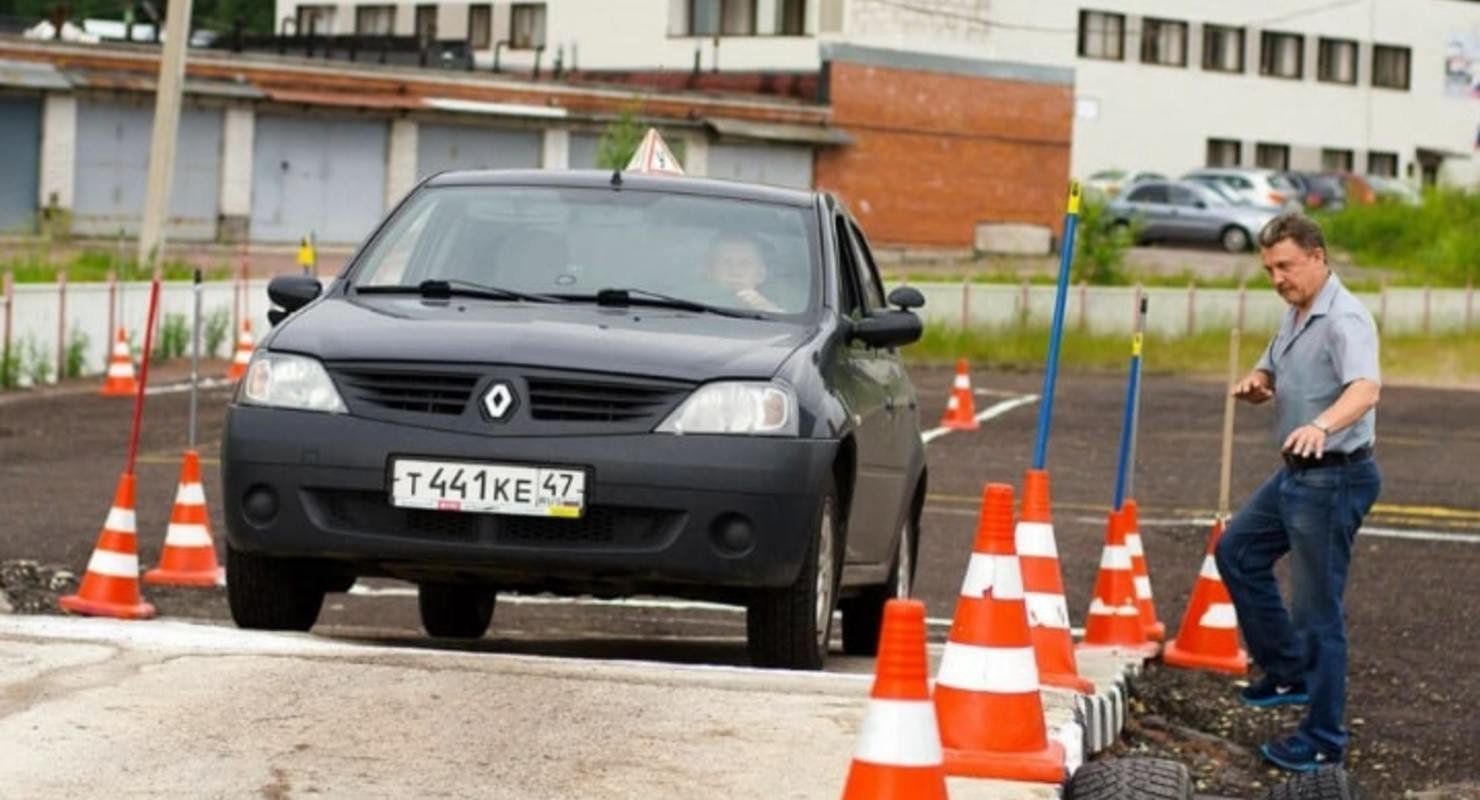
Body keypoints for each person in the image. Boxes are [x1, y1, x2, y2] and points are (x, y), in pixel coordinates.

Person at [1216, 212, 1382, 773]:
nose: (1277, 278)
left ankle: (1324, 738)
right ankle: (1286, 670)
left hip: (1334, 476)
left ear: (1317, 256)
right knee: (1237, 552)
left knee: (1317, 611)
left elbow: (1365, 388)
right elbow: (1273, 366)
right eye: (1269, 269)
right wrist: (1259, 382)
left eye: (1285, 266)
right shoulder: (1296, 313)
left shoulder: (1346, 320)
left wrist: (1323, 424)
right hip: (1298, 473)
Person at [706, 233, 782, 312]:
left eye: (744, 263)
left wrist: (770, 313)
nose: (735, 272)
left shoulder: (776, 316)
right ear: (710, 270)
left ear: (761, 274)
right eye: (726, 262)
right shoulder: (694, 311)